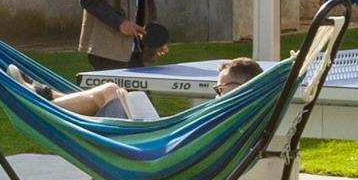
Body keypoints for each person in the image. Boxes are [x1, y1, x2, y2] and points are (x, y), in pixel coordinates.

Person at [48, 57, 262, 121]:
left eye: (221, 88)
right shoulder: (243, 114)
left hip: (150, 155)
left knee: (110, 91)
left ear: (239, 86)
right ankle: (49, 97)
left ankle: (45, 103)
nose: (217, 95)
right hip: (157, 143)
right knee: (111, 91)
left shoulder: (224, 115)